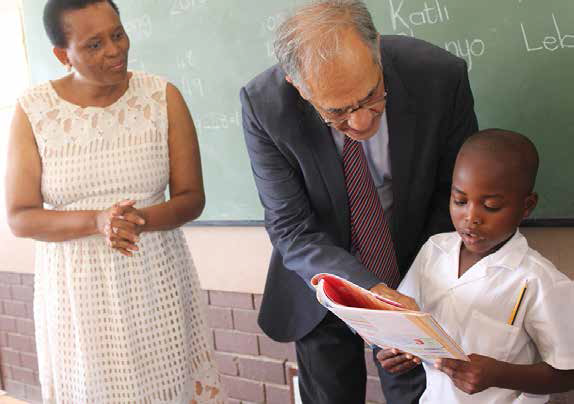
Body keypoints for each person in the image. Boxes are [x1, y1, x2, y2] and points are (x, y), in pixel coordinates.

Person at [240, 0, 478, 402]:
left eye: (371, 96)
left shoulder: (439, 76)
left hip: (414, 275)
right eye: (337, 112)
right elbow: (290, 228)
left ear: (377, 50)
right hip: (324, 285)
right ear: (298, 86)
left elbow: (450, 198)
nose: (362, 122)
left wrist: (413, 293)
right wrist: (371, 293)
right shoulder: (264, 105)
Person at [5, 0, 225, 402]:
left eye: (118, 34)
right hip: (77, 294)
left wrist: (134, 218)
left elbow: (191, 198)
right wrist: (97, 221)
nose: (114, 49)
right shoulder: (34, 110)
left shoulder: (162, 96)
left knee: (169, 389)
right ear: (61, 55)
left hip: (156, 281)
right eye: (93, 44)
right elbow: (20, 217)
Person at [377, 129, 574, 403]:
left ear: (526, 206)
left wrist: (500, 375)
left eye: (491, 206)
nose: (470, 218)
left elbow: (567, 373)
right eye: (459, 200)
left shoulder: (539, 281)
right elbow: (406, 319)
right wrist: (399, 351)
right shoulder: (434, 250)